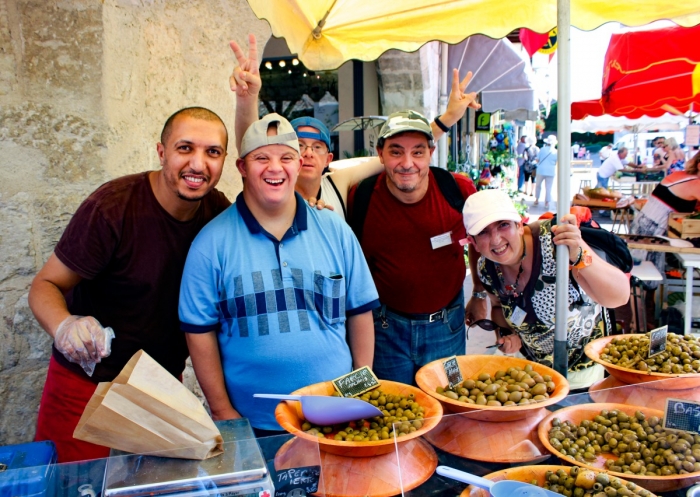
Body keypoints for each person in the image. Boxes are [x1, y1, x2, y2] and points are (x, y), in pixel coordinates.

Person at [27, 36, 262, 463]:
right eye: (184, 148)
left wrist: (248, 103)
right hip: (87, 385)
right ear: (161, 152)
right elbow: (44, 285)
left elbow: (259, 178)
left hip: (161, 385)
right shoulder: (113, 207)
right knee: (73, 486)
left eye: (212, 152)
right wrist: (66, 326)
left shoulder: (216, 212)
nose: (197, 164)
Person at [179, 113, 379, 435]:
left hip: (336, 415)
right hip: (253, 424)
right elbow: (199, 333)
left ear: (299, 165)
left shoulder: (336, 231)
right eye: (261, 158)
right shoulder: (210, 244)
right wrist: (222, 410)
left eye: (286, 157)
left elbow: (359, 313)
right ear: (242, 168)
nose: (275, 168)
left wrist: (359, 388)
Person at [347, 110, 479, 385]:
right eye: (396, 152)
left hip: (449, 328)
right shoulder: (360, 196)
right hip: (384, 331)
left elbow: (481, 242)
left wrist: (479, 293)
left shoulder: (458, 189)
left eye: (418, 152)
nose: (407, 164)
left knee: (451, 400)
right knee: (394, 412)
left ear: (431, 153)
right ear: (380, 154)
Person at [463, 189, 630, 389]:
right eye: (483, 232)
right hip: (532, 374)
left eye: (503, 225)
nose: (496, 239)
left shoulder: (557, 243)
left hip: (582, 373)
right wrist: (505, 333)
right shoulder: (487, 268)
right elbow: (498, 306)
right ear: (473, 243)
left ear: (519, 224)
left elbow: (620, 297)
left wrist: (579, 254)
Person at [291, 68, 481, 218]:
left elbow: (401, 152)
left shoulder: (337, 183)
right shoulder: (271, 194)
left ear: (328, 158)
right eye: (299, 146)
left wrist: (448, 118)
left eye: (317, 147)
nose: (308, 153)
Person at [631, 152, 700, 290]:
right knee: (649, 278)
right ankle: (647, 307)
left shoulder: (681, 175)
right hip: (653, 230)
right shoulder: (695, 183)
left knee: (643, 273)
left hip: (644, 224)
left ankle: (642, 303)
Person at [534, 135, 557, 210]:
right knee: (548, 187)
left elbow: (537, 159)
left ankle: (537, 200)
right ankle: (547, 202)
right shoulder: (556, 152)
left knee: (538, 185)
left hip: (541, 170)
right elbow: (557, 162)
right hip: (551, 171)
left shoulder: (542, 149)